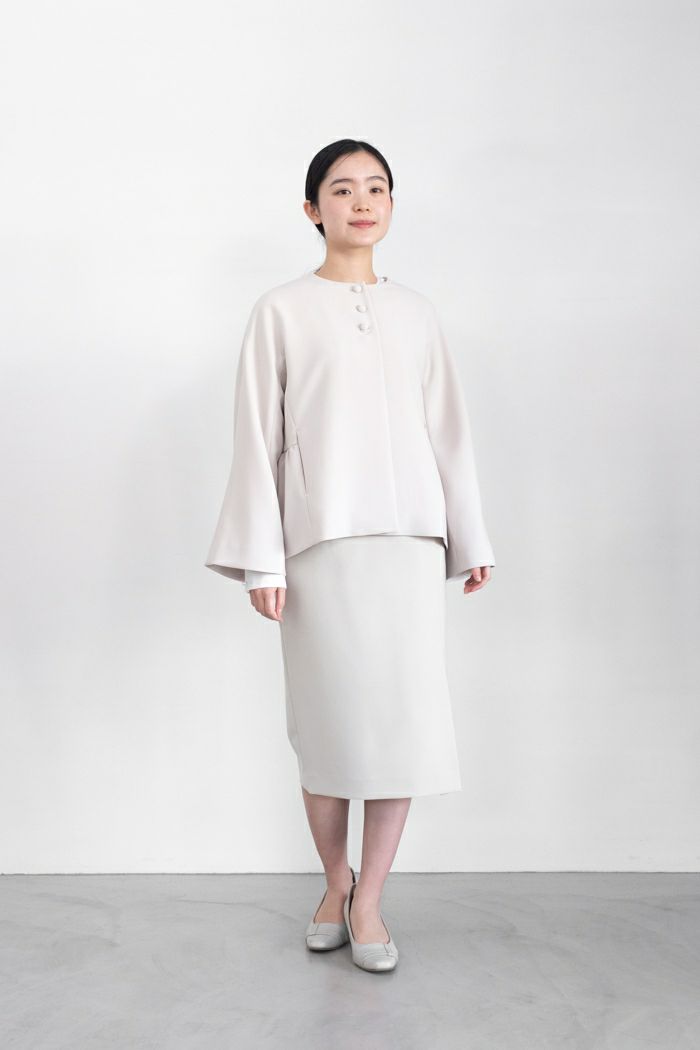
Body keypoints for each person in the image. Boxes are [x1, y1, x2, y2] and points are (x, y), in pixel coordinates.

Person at [205, 139, 495, 972]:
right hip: (318, 544)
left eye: (376, 188)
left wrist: (469, 537)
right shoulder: (280, 310)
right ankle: (335, 883)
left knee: (401, 725)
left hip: (409, 544)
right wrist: (262, 560)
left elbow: (448, 431)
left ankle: (369, 902)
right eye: (342, 189)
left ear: (392, 206)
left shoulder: (418, 313)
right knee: (328, 725)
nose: (361, 202)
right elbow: (256, 435)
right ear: (312, 209)